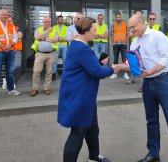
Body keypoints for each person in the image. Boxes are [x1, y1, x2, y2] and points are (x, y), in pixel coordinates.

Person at [119, 15, 168, 162]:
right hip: (147, 85)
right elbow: (134, 66)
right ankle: (153, 154)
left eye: (132, 27)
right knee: (151, 121)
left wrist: (150, 71)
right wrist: (118, 67)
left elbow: (166, 59)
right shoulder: (134, 43)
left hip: (163, 81)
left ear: (142, 23)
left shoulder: (158, 36)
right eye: (129, 28)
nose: (131, 30)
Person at [58, 17, 120, 162]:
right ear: (85, 31)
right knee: (77, 134)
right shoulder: (82, 48)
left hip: (85, 97)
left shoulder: (76, 45)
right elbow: (97, 72)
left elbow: (88, 67)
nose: (96, 32)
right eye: (93, 30)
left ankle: (94, 156)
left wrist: (98, 63)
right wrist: (113, 68)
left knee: (92, 129)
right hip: (80, 98)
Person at [0, 8, 21, 101]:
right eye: (4, 15)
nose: (6, 16)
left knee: (10, 71)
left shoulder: (10, 25)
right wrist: (2, 46)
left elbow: (15, 38)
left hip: (10, 51)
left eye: (7, 15)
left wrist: (9, 46)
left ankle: (11, 89)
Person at [30, 16, 58, 97]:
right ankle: (35, 89)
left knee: (49, 72)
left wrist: (44, 39)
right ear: (43, 22)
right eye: (45, 22)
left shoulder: (54, 30)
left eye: (48, 22)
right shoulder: (38, 30)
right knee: (36, 71)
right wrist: (47, 32)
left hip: (51, 53)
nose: (47, 23)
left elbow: (55, 40)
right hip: (40, 53)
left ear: (50, 22)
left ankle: (46, 88)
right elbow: (36, 37)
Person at [138, 12, 162, 92]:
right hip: (144, 51)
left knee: (153, 68)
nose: (152, 20)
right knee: (143, 68)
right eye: (150, 19)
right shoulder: (145, 27)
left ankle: (155, 85)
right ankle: (142, 86)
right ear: (148, 19)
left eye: (153, 19)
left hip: (154, 52)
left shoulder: (159, 27)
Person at [2, 16, 23, 90]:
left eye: (11, 21)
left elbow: (20, 36)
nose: (10, 22)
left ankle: (6, 79)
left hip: (17, 50)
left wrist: (10, 36)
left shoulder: (17, 28)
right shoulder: (3, 29)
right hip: (9, 50)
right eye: (8, 21)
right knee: (10, 67)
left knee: (17, 65)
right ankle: (11, 82)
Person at [110, 12, 129, 80]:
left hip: (123, 44)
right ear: (115, 18)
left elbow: (128, 34)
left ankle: (125, 73)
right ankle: (115, 73)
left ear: (121, 17)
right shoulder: (113, 25)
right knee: (115, 59)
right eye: (117, 17)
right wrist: (112, 42)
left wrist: (125, 42)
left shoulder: (125, 24)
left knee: (124, 59)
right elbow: (111, 34)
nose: (118, 18)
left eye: (119, 17)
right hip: (115, 44)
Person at [52, 15, 68, 81]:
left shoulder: (66, 27)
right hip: (56, 45)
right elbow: (53, 37)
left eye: (62, 19)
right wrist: (60, 39)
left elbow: (68, 37)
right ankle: (53, 74)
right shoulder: (54, 27)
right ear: (57, 20)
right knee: (54, 60)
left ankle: (66, 75)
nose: (61, 20)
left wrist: (59, 38)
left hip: (64, 45)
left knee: (65, 60)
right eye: (59, 19)